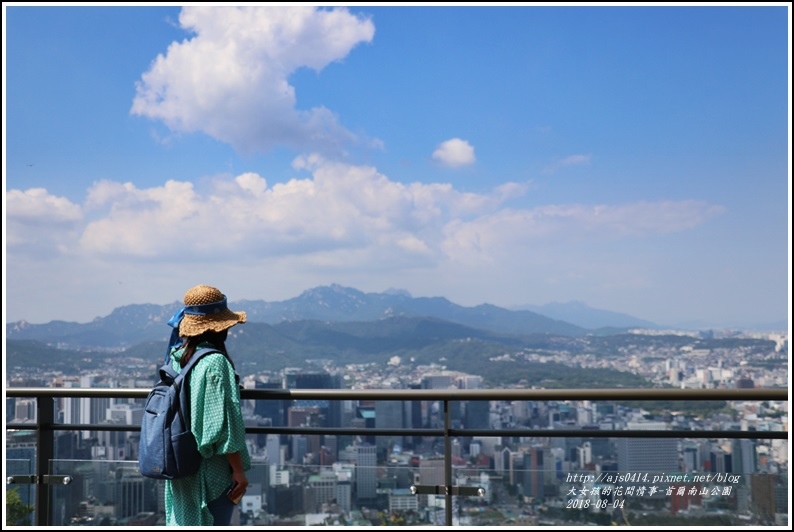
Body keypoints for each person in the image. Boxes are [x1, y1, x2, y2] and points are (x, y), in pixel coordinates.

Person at [163, 284, 251, 526]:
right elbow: (220, 426)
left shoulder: (177, 357)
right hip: (209, 469)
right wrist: (239, 471)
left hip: (180, 461)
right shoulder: (215, 362)